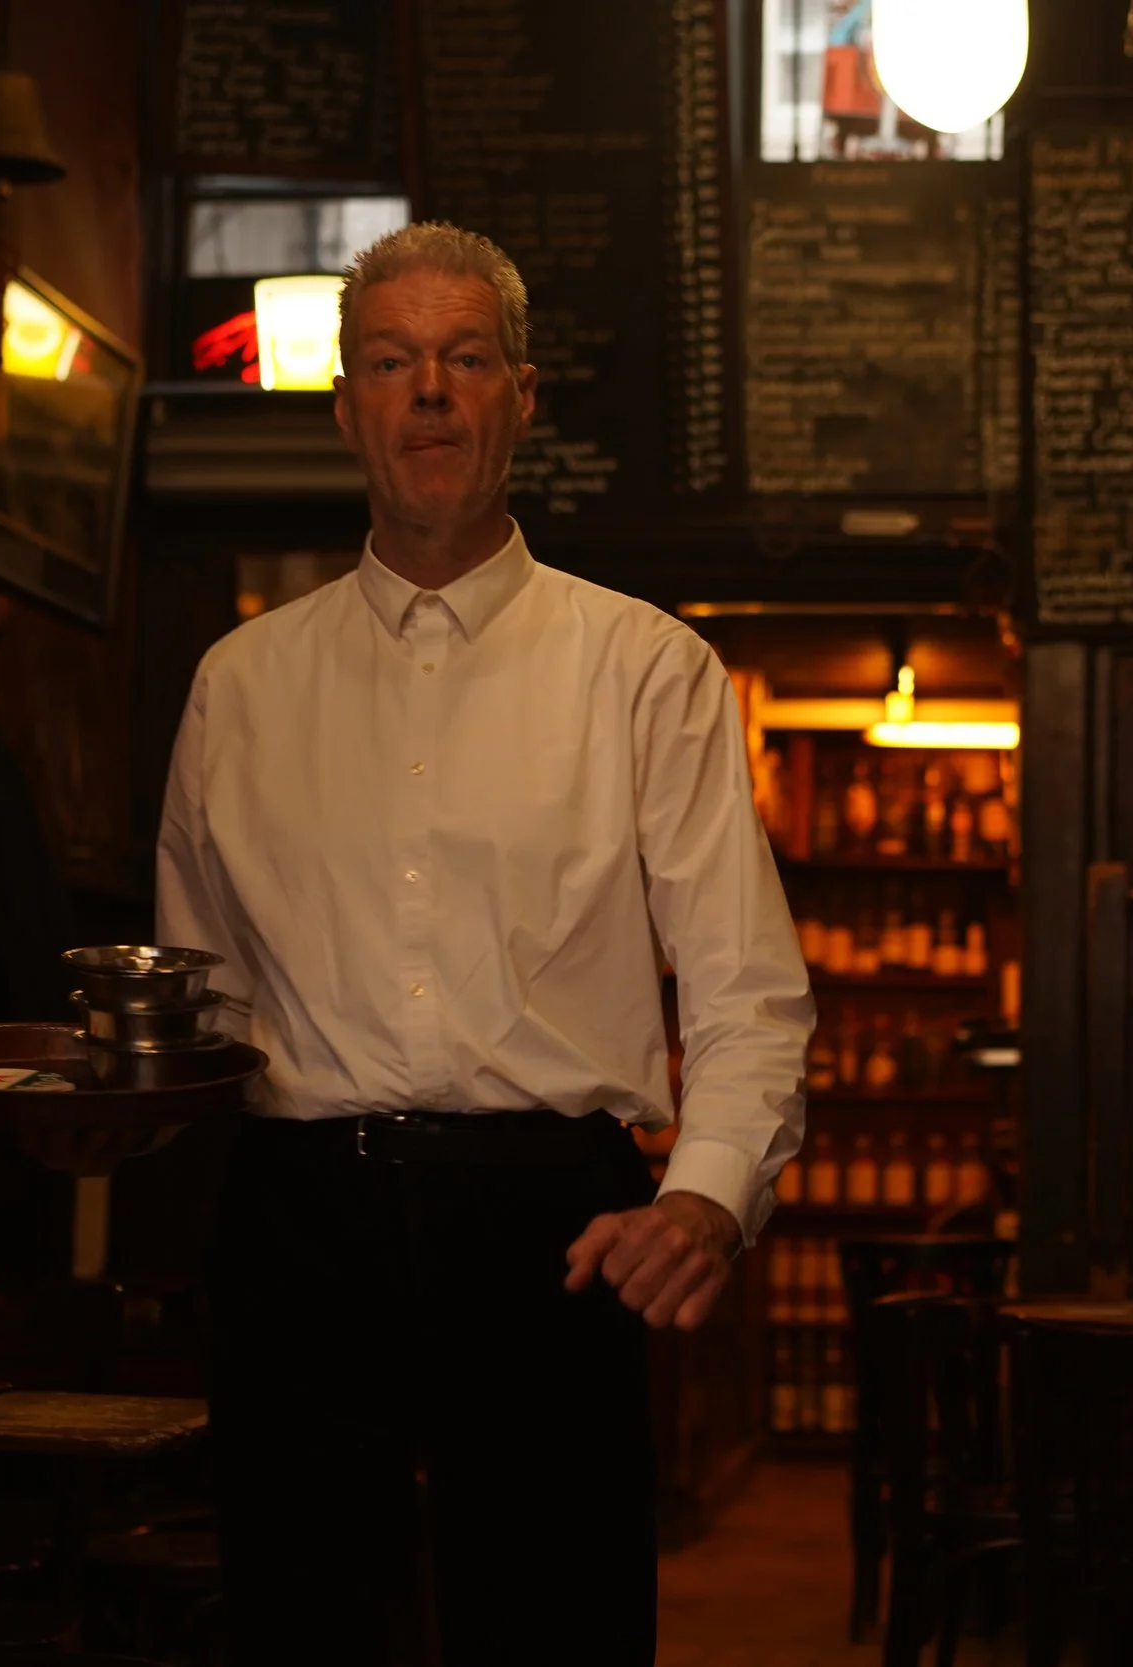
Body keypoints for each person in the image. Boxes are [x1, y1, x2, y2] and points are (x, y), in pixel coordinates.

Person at [154, 222, 814, 1665]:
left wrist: (708, 1195)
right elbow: (195, 1005)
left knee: (556, 1628)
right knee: (303, 1624)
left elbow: (748, 988)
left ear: (523, 395)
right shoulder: (240, 684)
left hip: (553, 1229)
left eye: (463, 361)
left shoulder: (648, 667)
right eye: (391, 362)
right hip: (296, 1223)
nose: (429, 393)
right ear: (346, 410)